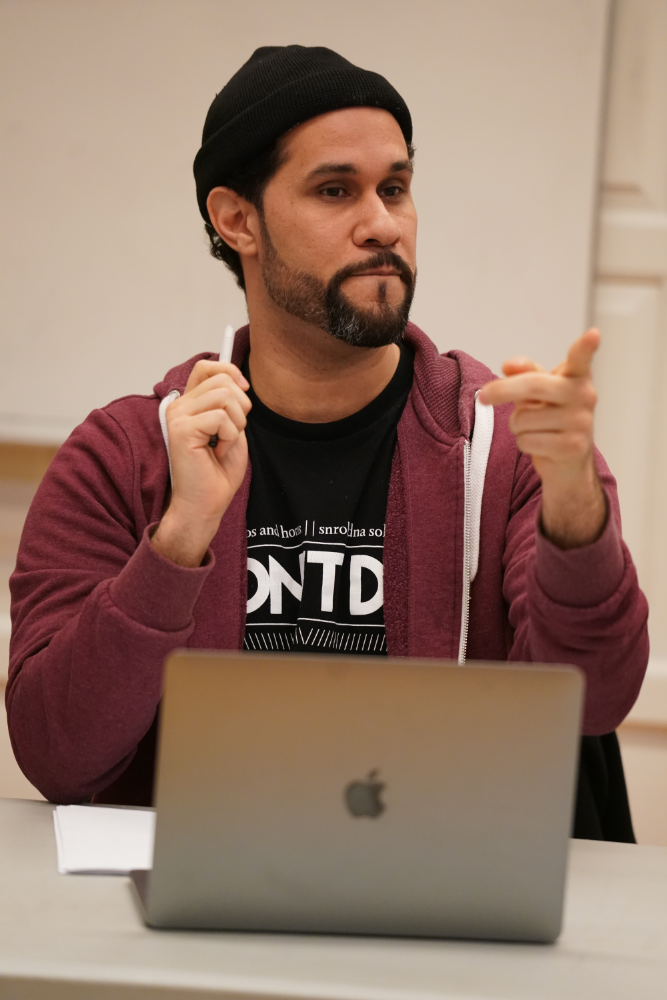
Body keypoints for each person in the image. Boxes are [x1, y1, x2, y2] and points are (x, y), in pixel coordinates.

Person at [7, 47, 647, 836]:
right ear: (237, 219)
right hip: (199, 914)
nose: (382, 224)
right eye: (335, 190)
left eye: (396, 188)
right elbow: (56, 753)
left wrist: (576, 508)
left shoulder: (509, 445)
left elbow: (594, 698)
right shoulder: (123, 455)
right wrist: (175, 544)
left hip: (441, 898)